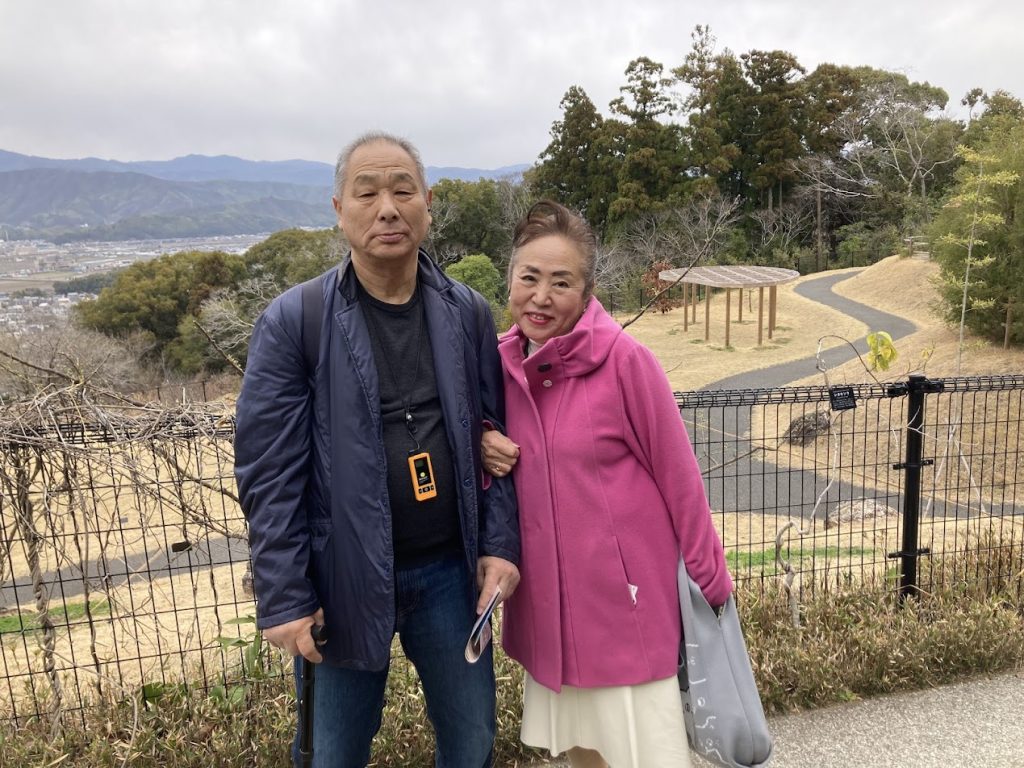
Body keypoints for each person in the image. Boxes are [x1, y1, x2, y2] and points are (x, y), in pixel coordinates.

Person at [234, 131, 520, 768]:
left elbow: (496, 440)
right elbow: (268, 473)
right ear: (340, 210)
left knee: (472, 740)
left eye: (402, 191)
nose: (387, 208)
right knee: (333, 753)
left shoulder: (467, 312)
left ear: (428, 204)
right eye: (367, 194)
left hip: (449, 573)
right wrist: (285, 594)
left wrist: (500, 546)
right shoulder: (296, 320)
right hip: (342, 578)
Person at [481, 200, 732, 768]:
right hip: (547, 607)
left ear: (587, 290)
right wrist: (480, 441)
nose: (541, 297)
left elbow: (680, 478)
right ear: (510, 278)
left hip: (625, 607)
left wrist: (710, 584)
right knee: (583, 752)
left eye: (561, 282)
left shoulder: (625, 361)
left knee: (646, 754)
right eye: (529, 277)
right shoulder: (498, 367)